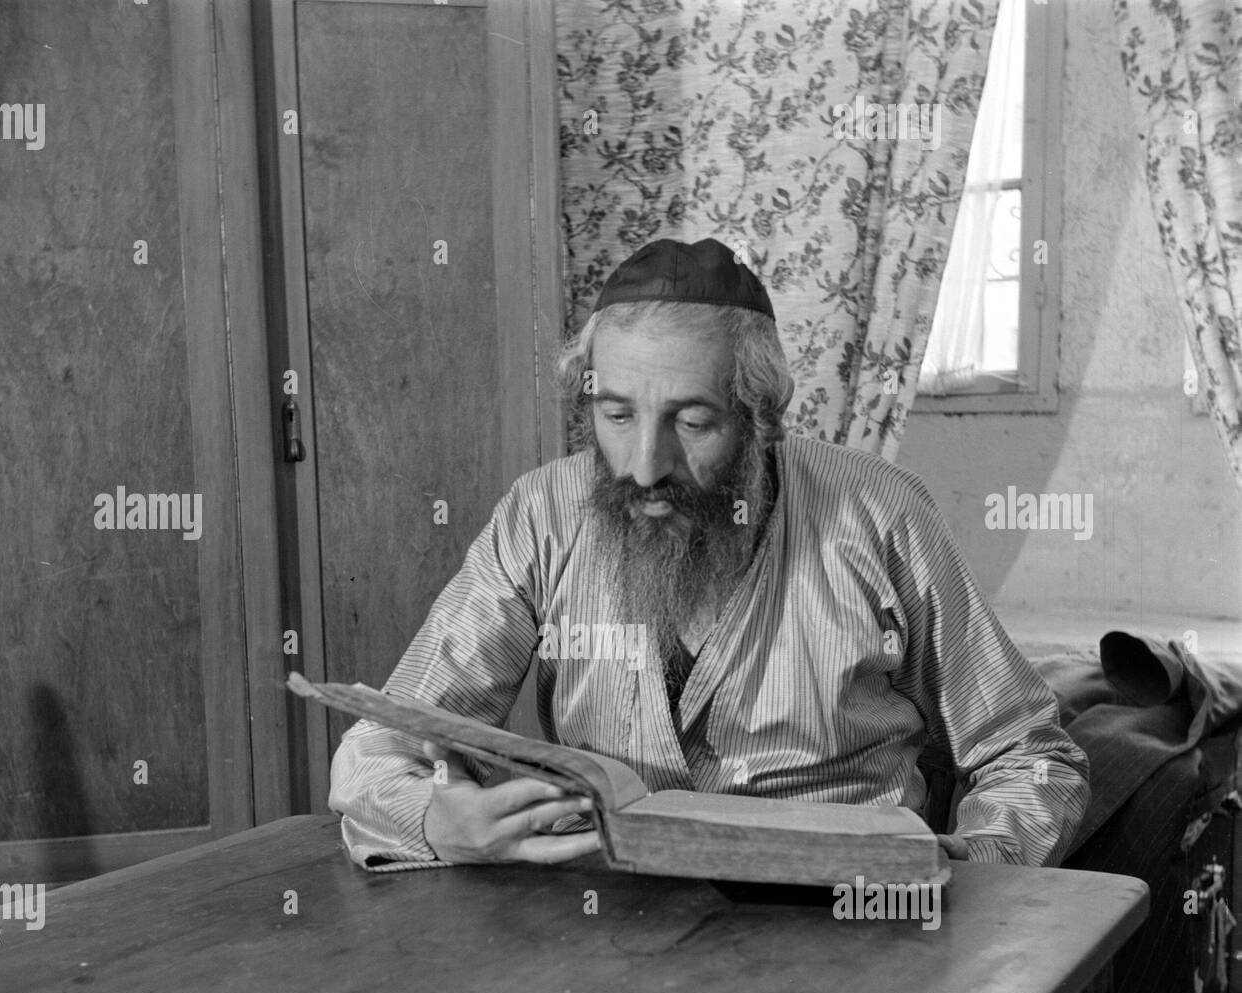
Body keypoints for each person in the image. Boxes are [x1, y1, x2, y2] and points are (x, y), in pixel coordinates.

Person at [330, 238, 1088, 871]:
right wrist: (437, 821)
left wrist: (972, 865)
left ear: (764, 418)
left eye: (692, 420)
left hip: (849, 933)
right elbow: (381, 745)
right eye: (617, 414)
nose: (643, 465)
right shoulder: (543, 515)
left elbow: (1029, 755)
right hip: (611, 922)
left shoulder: (877, 512)